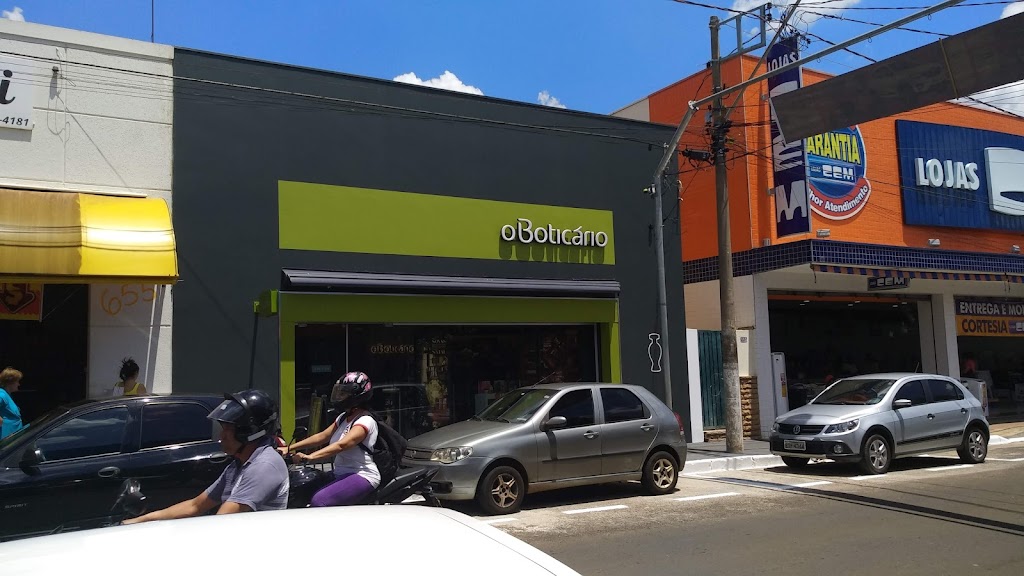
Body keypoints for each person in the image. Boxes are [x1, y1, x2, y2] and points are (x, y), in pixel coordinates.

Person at [124, 389, 289, 524]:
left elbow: (223, 521)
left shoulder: (264, 466)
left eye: (228, 430)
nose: (221, 436)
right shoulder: (238, 466)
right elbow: (195, 505)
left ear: (249, 432)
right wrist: (140, 521)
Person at [280, 371, 380, 507]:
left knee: (319, 501)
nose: (339, 396)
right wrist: (289, 448)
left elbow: (342, 445)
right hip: (339, 473)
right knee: (300, 487)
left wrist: (310, 457)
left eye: (343, 393)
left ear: (356, 395)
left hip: (362, 475)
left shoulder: (365, 421)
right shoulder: (343, 418)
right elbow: (321, 436)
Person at [0, 367, 24, 439]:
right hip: (6, 438)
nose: (18, 384)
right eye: (17, 381)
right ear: (10, 382)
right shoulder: (2, 395)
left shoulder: (8, 395)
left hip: (14, 437)